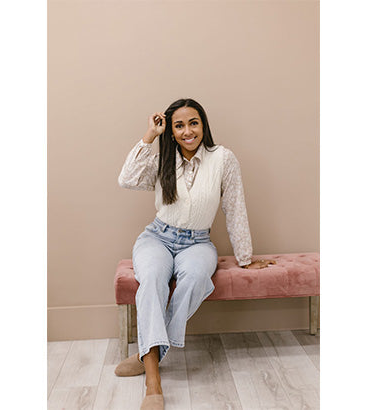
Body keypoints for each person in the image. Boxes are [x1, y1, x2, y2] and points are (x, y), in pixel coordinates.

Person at [116, 98, 274, 410]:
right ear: (171, 131)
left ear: (203, 125)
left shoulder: (223, 159)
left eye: (194, 123)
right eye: (179, 125)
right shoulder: (162, 158)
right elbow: (127, 179)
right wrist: (149, 136)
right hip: (157, 238)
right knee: (151, 280)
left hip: (198, 243)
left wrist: (245, 257)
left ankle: (149, 354)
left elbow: (235, 207)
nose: (188, 131)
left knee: (195, 278)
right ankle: (153, 382)